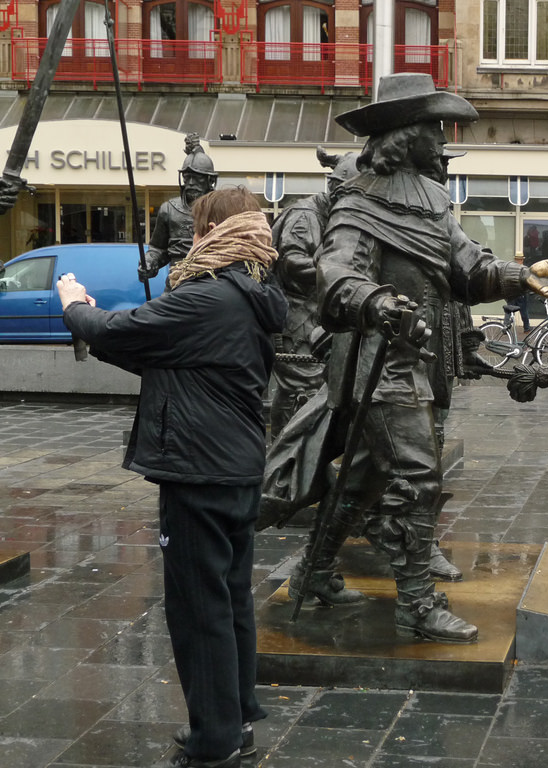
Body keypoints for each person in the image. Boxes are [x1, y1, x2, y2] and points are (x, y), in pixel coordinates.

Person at [264, 73, 548, 643]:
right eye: (434, 126)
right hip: (376, 361)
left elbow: (469, 269)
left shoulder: (432, 200)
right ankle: (415, 603)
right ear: (405, 134)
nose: (442, 137)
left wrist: (519, 276)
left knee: (359, 479)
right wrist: (377, 300)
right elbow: (335, 276)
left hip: (414, 360)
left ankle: (313, 573)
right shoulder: (359, 200)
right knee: (419, 476)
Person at [57, 187, 287, 768]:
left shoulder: (209, 298)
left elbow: (119, 329)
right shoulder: (251, 292)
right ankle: (235, 723)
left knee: (197, 607)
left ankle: (214, 740)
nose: (191, 236)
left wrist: (73, 306)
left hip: (198, 470)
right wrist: (103, 328)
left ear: (214, 230)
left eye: (198, 226)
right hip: (232, 467)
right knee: (229, 598)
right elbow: (153, 349)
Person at [268, 148, 358, 440]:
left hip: (319, 318)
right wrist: (334, 271)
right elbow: (292, 263)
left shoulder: (337, 216)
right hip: (296, 320)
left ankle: (298, 454)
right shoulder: (306, 215)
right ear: (334, 188)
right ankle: (285, 452)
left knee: (319, 387)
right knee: (300, 388)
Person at [140, 135, 218, 289]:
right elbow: (158, 248)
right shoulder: (169, 209)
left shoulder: (222, 209)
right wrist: (149, 261)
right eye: (187, 177)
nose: (190, 183)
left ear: (210, 180)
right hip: (176, 286)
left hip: (211, 286)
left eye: (196, 178)